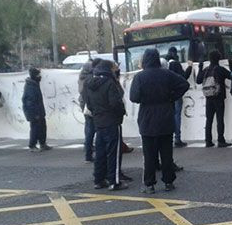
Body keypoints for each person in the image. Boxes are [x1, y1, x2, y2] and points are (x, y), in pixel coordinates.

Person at [130, 49, 190, 193]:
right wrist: (171, 97)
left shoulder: (140, 77)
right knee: (166, 153)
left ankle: (149, 184)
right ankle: (168, 181)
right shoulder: (167, 74)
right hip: (165, 116)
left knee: (149, 154)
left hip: (147, 118)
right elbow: (184, 85)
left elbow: (134, 97)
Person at [83, 60, 128, 191]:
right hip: (112, 121)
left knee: (100, 152)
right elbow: (115, 103)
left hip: (98, 121)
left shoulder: (88, 83)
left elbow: (88, 103)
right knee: (114, 152)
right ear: (108, 69)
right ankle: (114, 181)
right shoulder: (109, 83)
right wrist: (121, 113)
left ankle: (99, 179)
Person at [196, 50, 232, 148]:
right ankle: (221, 140)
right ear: (219, 59)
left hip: (208, 97)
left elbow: (198, 80)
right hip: (219, 97)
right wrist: (231, 65)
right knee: (219, 119)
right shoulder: (220, 69)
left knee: (209, 119)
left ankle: (208, 140)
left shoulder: (206, 70)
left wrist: (200, 67)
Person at [166, 47, 193, 148]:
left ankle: (169, 137)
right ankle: (177, 138)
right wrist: (190, 67)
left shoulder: (164, 65)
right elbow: (183, 77)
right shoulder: (176, 64)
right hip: (176, 94)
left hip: (166, 94)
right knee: (177, 115)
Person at [22, 67, 51, 153]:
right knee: (35, 128)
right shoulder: (31, 87)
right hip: (34, 112)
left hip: (39, 111)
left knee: (42, 127)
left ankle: (42, 143)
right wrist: (35, 114)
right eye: (38, 75)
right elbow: (30, 102)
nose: (40, 77)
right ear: (35, 76)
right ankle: (32, 145)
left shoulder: (34, 84)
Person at [79, 59, 101, 163]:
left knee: (89, 131)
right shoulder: (90, 79)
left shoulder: (82, 78)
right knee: (94, 131)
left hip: (86, 107)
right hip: (91, 107)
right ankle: (90, 154)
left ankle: (88, 154)